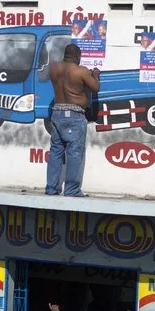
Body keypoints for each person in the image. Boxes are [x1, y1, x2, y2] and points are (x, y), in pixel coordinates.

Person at [45, 44, 100, 197]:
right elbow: (95, 88)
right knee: (74, 152)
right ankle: (72, 190)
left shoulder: (54, 69)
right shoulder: (80, 71)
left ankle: (51, 188)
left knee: (56, 151)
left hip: (56, 113)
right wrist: (95, 74)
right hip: (74, 115)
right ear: (77, 56)